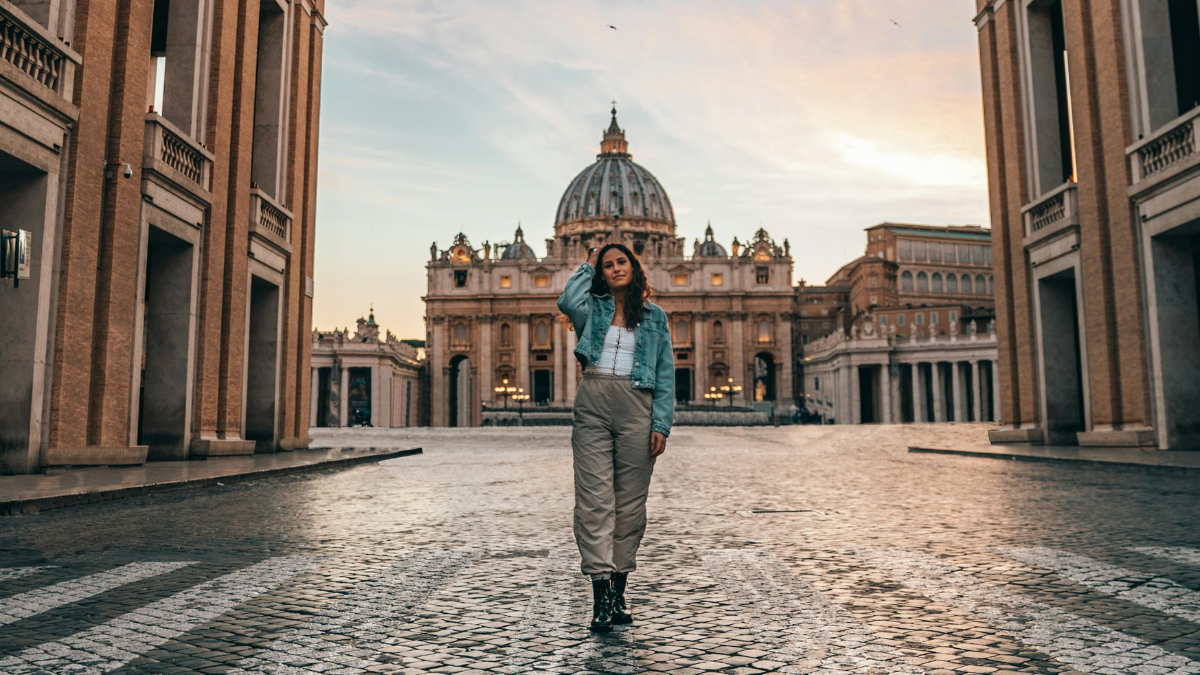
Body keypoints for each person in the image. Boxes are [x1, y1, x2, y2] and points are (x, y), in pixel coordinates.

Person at [556, 243, 674, 633]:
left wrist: (661, 424)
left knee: (630, 506)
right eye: (607, 265)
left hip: (636, 406)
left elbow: (665, 373)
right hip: (593, 400)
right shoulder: (591, 310)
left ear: (634, 266)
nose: (615, 268)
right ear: (600, 272)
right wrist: (588, 264)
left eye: (621, 261)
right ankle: (601, 598)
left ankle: (620, 588)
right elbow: (568, 298)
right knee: (593, 501)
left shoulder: (656, 317)